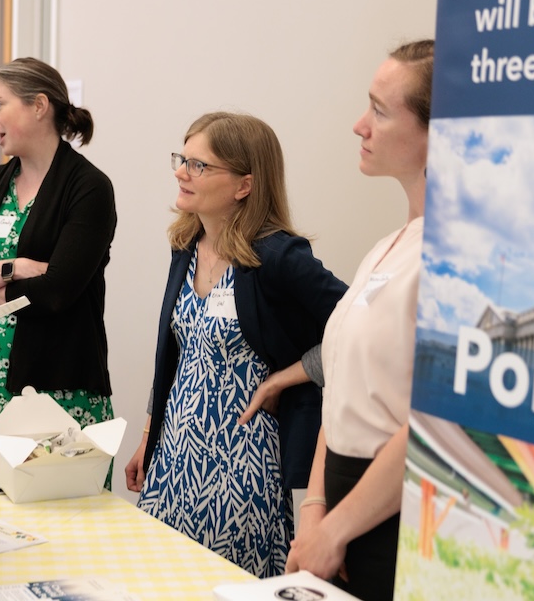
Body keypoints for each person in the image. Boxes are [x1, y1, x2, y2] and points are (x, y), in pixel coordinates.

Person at [125, 112, 347, 578]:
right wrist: (150, 435)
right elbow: (175, 354)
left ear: (244, 185)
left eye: (199, 165)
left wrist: (287, 378)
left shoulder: (279, 255)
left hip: (241, 464)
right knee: (158, 579)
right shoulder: (185, 245)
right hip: (174, 456)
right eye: (181, 159)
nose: (181, 172)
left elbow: (361, 327)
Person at [285, 40, 433, 601]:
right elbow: (342, 389)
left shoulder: (449, 264)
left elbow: (431, 421)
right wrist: (316, 509)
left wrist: (338, 529)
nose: (359, 125)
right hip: (338, 508)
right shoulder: (384, 248)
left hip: (394, 514)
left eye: (379, 110)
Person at [0, 57, 117, 428]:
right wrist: (13, 269)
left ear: (38, 106)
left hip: (56, 387)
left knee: (58, 487)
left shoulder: (88, 188)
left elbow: (55, 293)